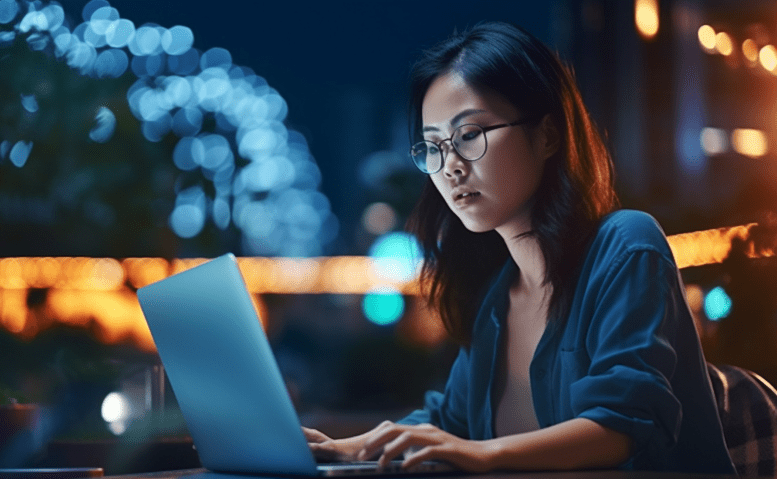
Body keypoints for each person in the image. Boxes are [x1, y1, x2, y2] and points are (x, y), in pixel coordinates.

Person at [304, 22, 737, 474]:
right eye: (433, 146)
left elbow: (621, 426)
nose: (449, 167)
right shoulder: (495, 299)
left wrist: (480, 455)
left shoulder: (626, 245)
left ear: (547, 135)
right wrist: (354, 446)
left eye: (469, 134)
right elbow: (449, 421)